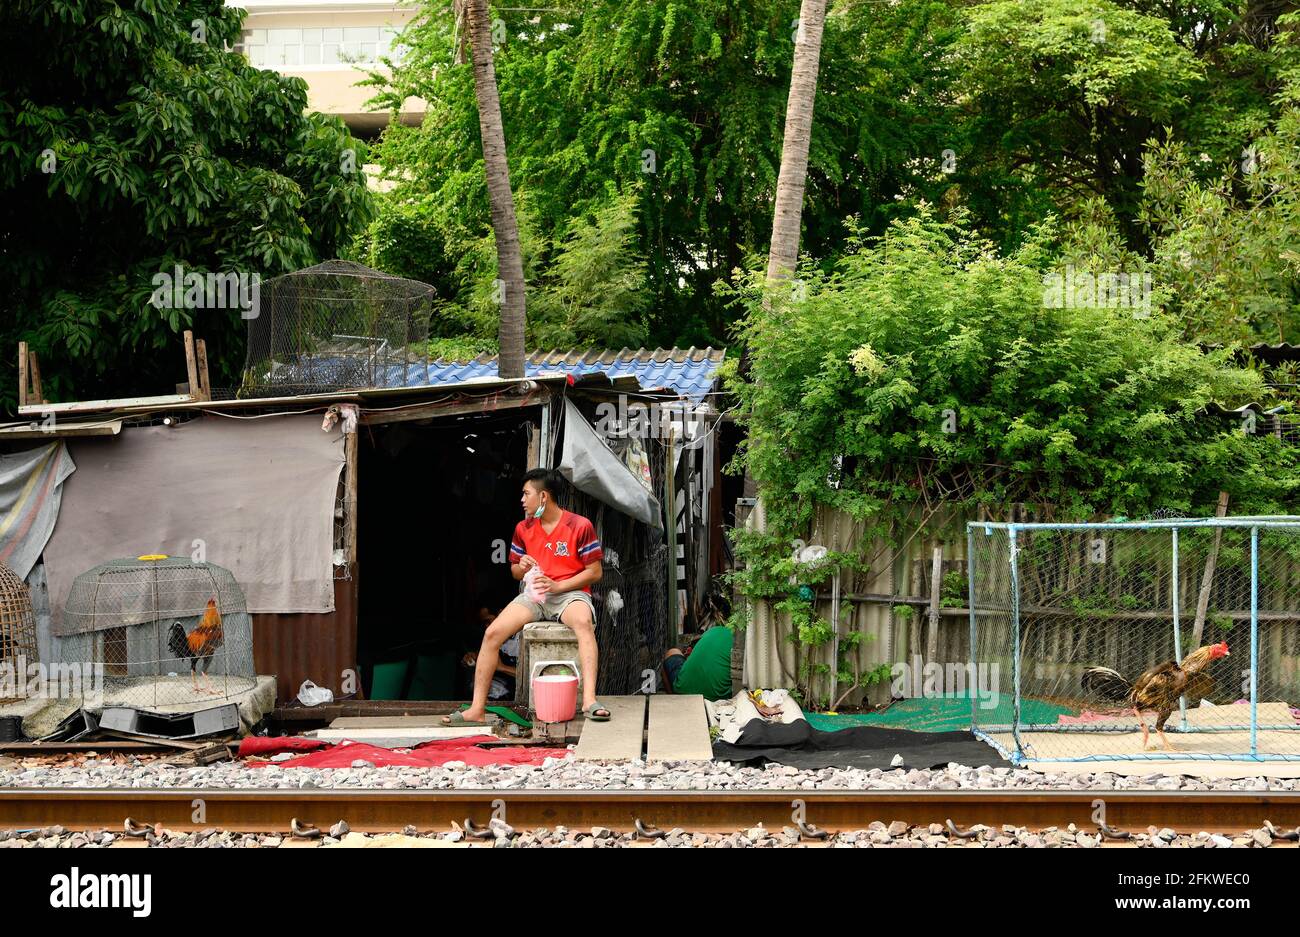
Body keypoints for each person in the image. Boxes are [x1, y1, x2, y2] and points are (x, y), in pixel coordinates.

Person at [444, 469, 610, 724]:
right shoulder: (523, 528)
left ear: (543, 497)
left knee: (583, 624)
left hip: (569, 594)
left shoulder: (579, 525)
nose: (522, 499)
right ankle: (477, 709)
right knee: (491, 634)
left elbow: (595, 572)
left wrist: (558, 586)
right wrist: (522, 566)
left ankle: (589, 700)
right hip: (534, 595)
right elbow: (513, 571)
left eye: (526, 494)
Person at [659, 625, 734, 701]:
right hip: (719, 699)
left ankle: (674, 700)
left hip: (683, 690)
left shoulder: (715, 630)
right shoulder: (741, 643)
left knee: (672, 652)